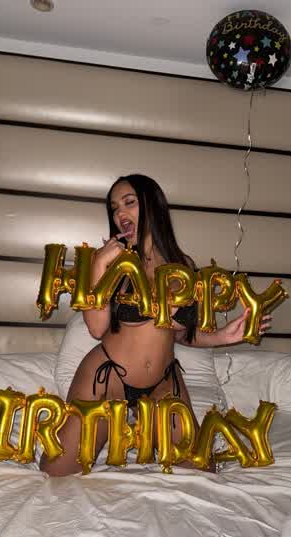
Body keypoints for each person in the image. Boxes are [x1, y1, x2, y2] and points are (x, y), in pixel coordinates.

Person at [40, 174, 271, 476]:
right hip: (107, 377)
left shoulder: (182, 265)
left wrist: (223, 337)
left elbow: (180, 334)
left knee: (203, 472)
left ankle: (144, 436)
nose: (120, 213)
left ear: (153, 206)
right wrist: (98, 265)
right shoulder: (110, 263)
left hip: (163, 383)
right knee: (57, 470)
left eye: (129, 203)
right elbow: (96, 328)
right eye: (114, 208)